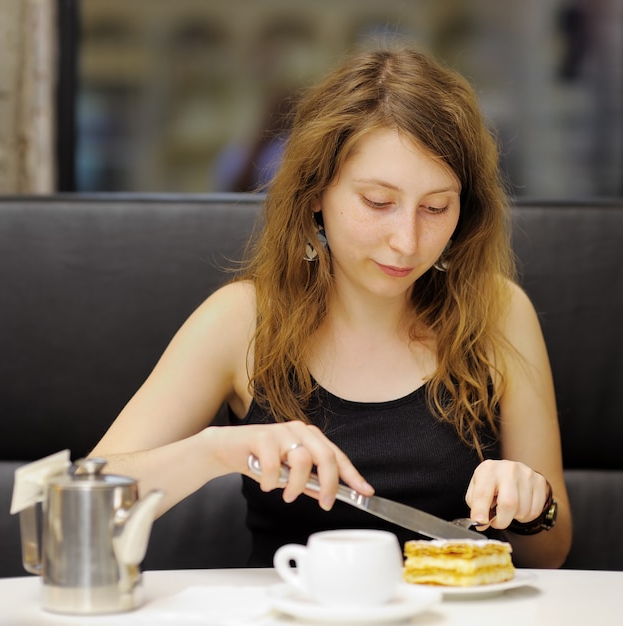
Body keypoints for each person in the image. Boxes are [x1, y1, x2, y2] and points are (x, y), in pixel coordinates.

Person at [90, 47, 572, 569]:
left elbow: (550, 553)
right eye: (377, 202)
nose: (406, 241)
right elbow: (77, 506)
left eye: (436, 208)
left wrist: (532, 503)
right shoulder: (241, 320)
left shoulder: (499, 312)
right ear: (317, 191)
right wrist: (216, 452)